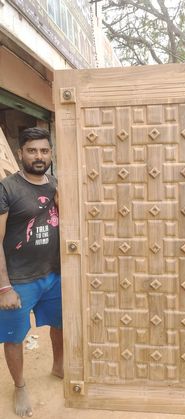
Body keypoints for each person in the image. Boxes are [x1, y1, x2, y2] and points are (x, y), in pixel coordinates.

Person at [0, 127, 63, 417]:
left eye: (44, 151)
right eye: (32, 150)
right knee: (14, 336)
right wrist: (4, 287)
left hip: (54, 274)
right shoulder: (7, 189)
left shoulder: (55, 185)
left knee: (60, 324)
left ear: (50, 154)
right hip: (19, 280)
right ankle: (21, 386)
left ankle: (59, 365)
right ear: (20, 153)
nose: (39, 156)